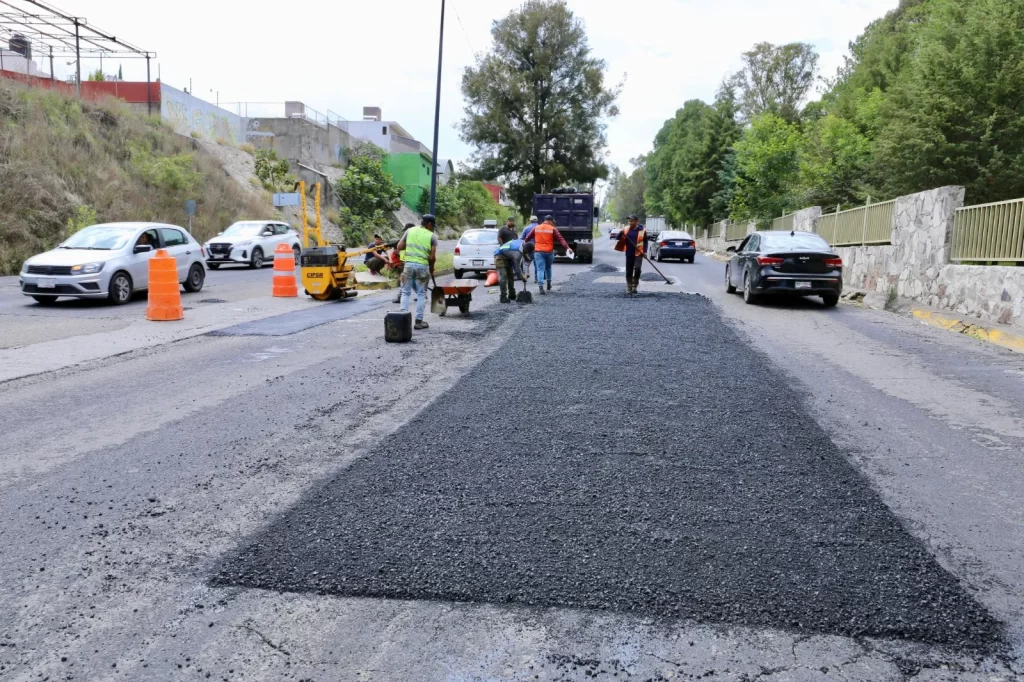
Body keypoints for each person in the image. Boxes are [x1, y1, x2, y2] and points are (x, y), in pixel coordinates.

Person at [395, 215, 438, 330]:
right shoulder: (432, 236)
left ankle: (402, 319)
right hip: (422, 267)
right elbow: (432, 257)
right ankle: (418, 322)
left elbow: (399, 246)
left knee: (405, 292)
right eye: (432, 226)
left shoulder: (410, 231)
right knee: (421, 294)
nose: (433, 228)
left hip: (408, 265)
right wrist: (432, 268)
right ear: (428, 224)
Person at [523, 215, 569, 295]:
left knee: (540, 269)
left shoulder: (536, 228)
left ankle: (540, 287)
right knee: (548, 268)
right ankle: (548, 284)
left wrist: (525, 243)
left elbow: (527, 238)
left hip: (538, 252)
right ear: (550, 221)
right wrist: (567, 248)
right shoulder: (553, 229)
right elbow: (561, 239)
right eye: (552, 222)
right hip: (549, 252)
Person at [615, 214, 649, 295]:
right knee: (629, 271)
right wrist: (621, 233)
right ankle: (629, 287)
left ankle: (635, 285)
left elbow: (646, 241)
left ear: (636, 221)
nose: (630, 222)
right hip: (629, 253)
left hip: (639, 253)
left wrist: (645, 251)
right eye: (629, 221)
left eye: (632, 221)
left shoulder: (642, 230)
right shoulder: (626, 229)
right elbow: (617, 238)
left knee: (637, 269)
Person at [494, 234, 527, 303]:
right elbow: (517, 268)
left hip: (508, 257)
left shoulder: (523, 243)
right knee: (504, 276)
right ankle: (503, 297)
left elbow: (525, 257)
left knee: (511, 276)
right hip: (499, 256)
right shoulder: (516, 254)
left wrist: (525, 272)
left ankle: (512, 294)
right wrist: (522, 277)